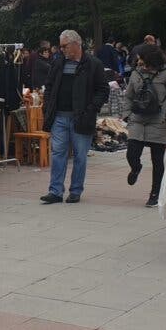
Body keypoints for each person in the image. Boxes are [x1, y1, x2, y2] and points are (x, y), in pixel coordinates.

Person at [40, 30, 108, 204]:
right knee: (58, 154)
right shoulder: (58, 63)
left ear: (76, 44)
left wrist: (91, 109)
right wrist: (48, 107)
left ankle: (76, 190)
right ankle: (55, 191)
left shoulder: (93, 64)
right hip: (59, 117)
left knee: (80, 156)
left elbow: (102, 90)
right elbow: (49, 86)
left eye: (64, 46)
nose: (61, 49)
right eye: (61, 46)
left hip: (81, 117)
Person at [124, 45, 166, 207]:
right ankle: (135, 168)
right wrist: (127, 114)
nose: (139, 60)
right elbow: (128, 96)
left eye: (142, 57)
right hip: (137, 120)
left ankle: (154, 194)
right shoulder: (136, 74)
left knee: (157, 161)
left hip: (158, 122)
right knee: (131, 153)